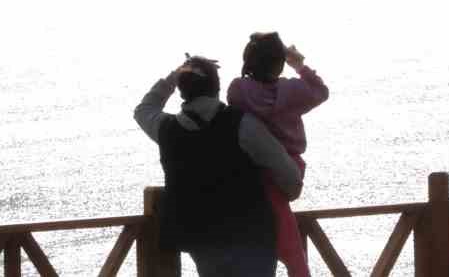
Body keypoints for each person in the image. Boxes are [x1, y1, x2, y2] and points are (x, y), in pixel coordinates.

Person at [135, 54, 304, 277]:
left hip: (203, 242)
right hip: (252, 239)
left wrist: (174, 76)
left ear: (181, 89)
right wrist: (288, 194)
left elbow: (144, 109)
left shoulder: (167, 129)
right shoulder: (243, 124)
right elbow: (289, 175)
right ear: (217, 87)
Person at [227, 33, 330, 277]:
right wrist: (298, 64)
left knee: (254, 257)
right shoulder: (294, 91)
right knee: (293, 256)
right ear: (279, 62)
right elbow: (321, 91)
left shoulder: (240, 90)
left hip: (250, 173)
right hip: (288, 171)